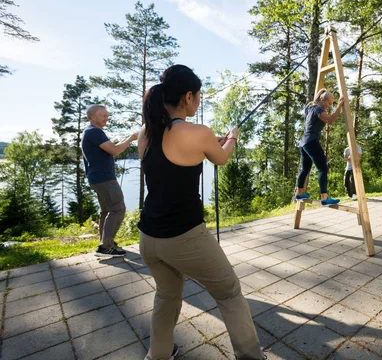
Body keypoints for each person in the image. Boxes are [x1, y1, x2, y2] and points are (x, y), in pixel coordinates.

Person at [137, 65, 264, 360]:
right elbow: (221, 159)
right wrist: (231, 137)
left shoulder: (146, 133)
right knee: (230, 292)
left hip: (148, 238)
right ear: (188, 96)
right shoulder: (198, 132)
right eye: (199, 97)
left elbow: (186, 149)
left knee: (167, 295)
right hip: (184, 237)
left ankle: (159, 355)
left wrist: (211, 141)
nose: (199, 102)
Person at [82, 104, 138, 257]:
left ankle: (106, 244)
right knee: (118, 208)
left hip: (97, 179)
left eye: (107, 115)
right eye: (104, 115)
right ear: (93, 117)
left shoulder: (91, 132)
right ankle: (105, 246)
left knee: (106, 211)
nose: (107, 118)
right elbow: (115, 150)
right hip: (105, 179)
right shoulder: (94, 132)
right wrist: (132, 138)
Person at [295, 88, 346, 206]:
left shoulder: (310, 107)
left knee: (305, 169)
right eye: (329, 103)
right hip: (311, 142)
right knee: (323, 169)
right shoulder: (318, 109)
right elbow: (331, 120)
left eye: (332, 104)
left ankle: (299, 193)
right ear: (322, 100)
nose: (329, 106)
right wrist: (339, 106)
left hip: (304, 142)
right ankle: (324, 198)